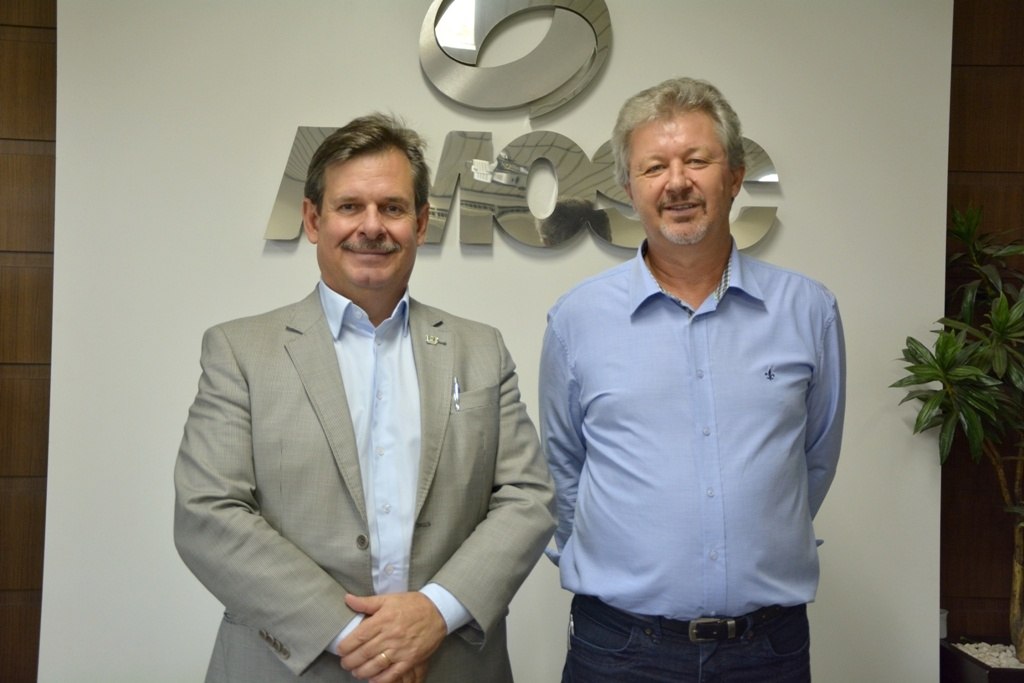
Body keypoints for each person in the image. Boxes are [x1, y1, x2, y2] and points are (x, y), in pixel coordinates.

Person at [174, 112, 555, 683]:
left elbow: (528, 496)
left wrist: (435, 612)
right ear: (313, 219)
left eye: (392, 208)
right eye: (350, 206)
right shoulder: (239, 351)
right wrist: (357, 636)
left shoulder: (481, 349)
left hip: (449, 662)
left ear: (421, 223)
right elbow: (208, 512)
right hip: (291, 665)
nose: (371, 226)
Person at [539, 77, 846, 682]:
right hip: (621, 649)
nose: (676, 182)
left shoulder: (809, 311)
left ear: (734, 177)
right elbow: (562, 465)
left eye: (697, 161)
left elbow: (814, 459)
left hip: (766, 650)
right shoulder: (577, 319)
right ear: (629, 189)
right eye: (654, 167)